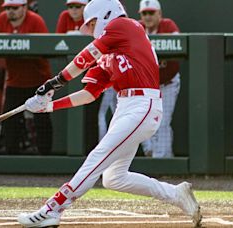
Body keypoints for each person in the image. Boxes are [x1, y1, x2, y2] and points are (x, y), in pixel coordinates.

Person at [18, 0, 202, 227]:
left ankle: (53, 208)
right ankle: (176, 194)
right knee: (114, 177)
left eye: (94, 22)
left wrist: (52, 84)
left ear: (107, 14)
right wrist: (49, 106)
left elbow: (84, 58)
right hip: (125, 107)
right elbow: (89, 94)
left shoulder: (125, 25)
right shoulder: (110, 54)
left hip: (143, 104)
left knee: (97, 157)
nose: (92, 28)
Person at [0, 0, 53, 155]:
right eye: (8, 8)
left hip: (38, 80)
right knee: (9, 119)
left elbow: (45, 47)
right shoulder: (1, 19)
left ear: (24, 7)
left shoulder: (35, 21)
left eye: (15, 8)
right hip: (15, 80)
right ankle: (13, 156)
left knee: (42, 121)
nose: (10, 11)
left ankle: (45, 158)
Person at [138, 0, 181, 158]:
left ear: (159, 14)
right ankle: (157, 154)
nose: (147, 17)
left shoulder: (168, 25)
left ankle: (161, 161)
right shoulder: (138, 27)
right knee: (145, 120)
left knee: (162, 122)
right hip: (147, 86)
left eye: (151, 13)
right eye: (144, 13)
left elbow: (179, 43)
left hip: (168, 82)